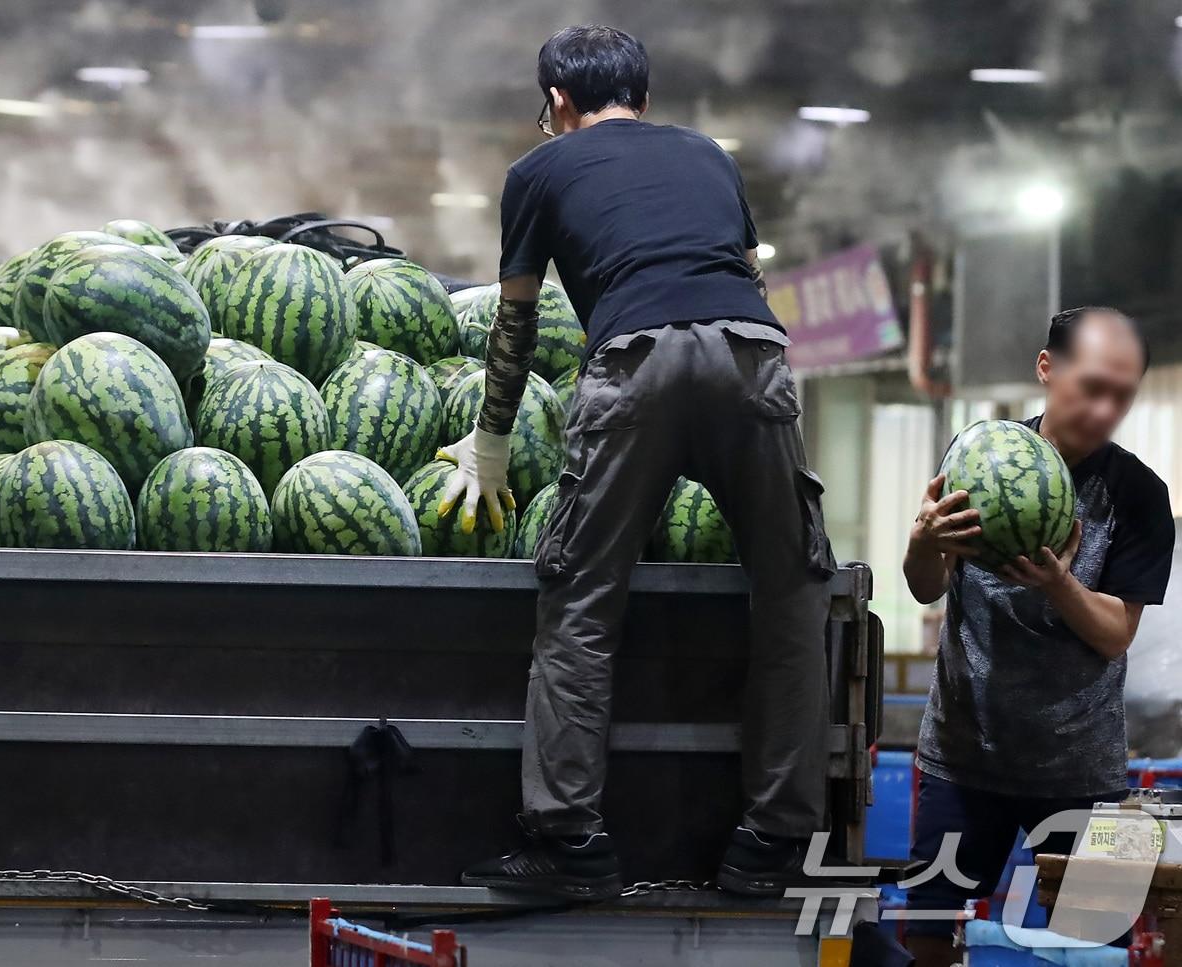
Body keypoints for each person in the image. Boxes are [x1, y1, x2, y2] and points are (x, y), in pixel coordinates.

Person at [437, 24, 836, 901]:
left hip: (635, 361)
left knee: (582, 598)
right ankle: (772, 840)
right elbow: (744, 279)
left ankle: (570, 841)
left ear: (554, 103)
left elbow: (515, 321)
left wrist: (491, 444)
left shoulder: (537, 172)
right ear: (643, 100)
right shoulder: (709, 156)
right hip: (750, 352)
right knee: (793, 591)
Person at [902, 307, 1174, 966]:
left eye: (1123, 394)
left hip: (1085, 772)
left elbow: (1116, 634)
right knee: (931, 935)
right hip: (963, 758)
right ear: (1047, 368)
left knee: (1093, 949)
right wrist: (921, 540)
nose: (1106, 408)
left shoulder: (1139, 496)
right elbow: (925, 586)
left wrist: (1059, 584)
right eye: (1093, 386)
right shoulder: (979, 456)